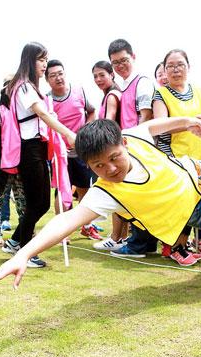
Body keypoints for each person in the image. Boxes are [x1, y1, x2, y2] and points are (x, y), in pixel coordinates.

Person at [0, 117, 201, 287]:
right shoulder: (105, 192)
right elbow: (66, 220)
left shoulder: (133, 136)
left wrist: (188, 122)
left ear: (124, 144)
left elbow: (155, 125)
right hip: (197, 211)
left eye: (114, 158)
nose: (110, 169)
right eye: (98, 166)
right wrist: (23, 254)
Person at [0, 42, 76, 268]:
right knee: (38, 203)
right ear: (30, 61)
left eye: (45, 59)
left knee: (40, 202)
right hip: (29, 149)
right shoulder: (23, 87)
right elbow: (42, 114)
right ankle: (24, 250)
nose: (45, 64)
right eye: (41, 60)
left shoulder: (29, 86)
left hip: (37, 148)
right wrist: (69, 134)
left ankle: (15, 242)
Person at [153, 49, 201, 261]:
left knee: (194, 203)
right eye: (170, 66)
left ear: (189, 67)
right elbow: (159, 126)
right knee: (178, 203)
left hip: (198, 157)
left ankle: (184, 246)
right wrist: (188, 123)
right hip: (173, 156)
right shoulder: (161, 94)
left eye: (180, 64)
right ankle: (175, 248)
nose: (175, 69)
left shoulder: (198, 91)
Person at [107, 38, 158, 258]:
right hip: (131, 145)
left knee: (138, 197)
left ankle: (137, 246)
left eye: (123, 60)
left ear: (133, 57)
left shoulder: (142, 82)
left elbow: (145, 115)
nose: (120, 65)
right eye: (115, 63)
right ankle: (145, 244)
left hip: (140, 146)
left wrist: (134, 146)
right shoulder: (124, 85)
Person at [45, 59, 100, 240]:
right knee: (62, 192)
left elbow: (91, 111)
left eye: (60, 73)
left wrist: (84, 133)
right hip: (60, 154)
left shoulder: (78, 91)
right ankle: (61, 232)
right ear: (47, 80)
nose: (58, 78)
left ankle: (87, 225)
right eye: (53, 76)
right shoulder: (46, 100)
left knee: (85, 190)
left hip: (82, 152)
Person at [91, 60, 129, 250]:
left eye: (102, 75)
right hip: (119, 150)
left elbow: (108, 124)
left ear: (111, 74)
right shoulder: (112, 93)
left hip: (114, 151)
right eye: (95, 76)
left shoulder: (112, 95)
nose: (98, 79)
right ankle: (121, 237)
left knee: (116, 193)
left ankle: (116, 238)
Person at [0, 82, 26, 247]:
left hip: (21, 161)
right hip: (1, 162)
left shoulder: (23, 110)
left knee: (22, 199)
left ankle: (25, 231)